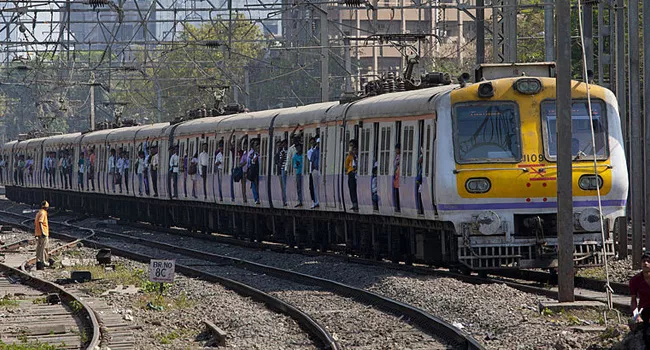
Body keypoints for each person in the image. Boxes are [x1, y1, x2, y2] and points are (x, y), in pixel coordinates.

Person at [631, 252, 650, 348]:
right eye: (644, 261)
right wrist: (636, 316)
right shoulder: (635, 280)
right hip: (645, 309)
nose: (646, 263)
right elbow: (633, 300)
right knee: (647, 334)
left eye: (648, 261)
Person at [34, 200, 50, 270]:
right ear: (46, 207)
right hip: (43, 233)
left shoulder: (38, 213)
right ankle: (44, 262)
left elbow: (36, 223)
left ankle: (39, 262)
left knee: (39, 248)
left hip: (38, 233)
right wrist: (43, 232)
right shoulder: (43, 213)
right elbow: (40, 222)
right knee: (44, 248)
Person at [345, 141, 358, 211]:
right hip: (351, 173)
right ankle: (354, 203)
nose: (354, 151)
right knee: (352, 188)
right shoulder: (349, 156)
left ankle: (356, 203)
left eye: (355, 149)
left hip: (357, 173)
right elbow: (346, 165)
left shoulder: (358, 156)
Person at [309, 138, 320, 209]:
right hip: (316, 170)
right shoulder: (315, 151)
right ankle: (316, 201)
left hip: (321, 170)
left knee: (319, 187)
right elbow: (312, 161)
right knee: (315, 187)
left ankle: (318, 201)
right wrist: (313, 171)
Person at [248, 140, 260, 204]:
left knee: (255, 185)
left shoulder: (257, 154)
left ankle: (257, 198)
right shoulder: (253, 154)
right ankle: (256, 198)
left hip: (258, 171)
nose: (258, 148)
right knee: (254, 185)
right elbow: (251, 161)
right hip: (254, 171)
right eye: (256, 146)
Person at [393, 143, 401, 212]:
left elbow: (395, 164)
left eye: (397, 149)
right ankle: (397, 206)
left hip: (398, 176)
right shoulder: (397, 156)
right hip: (397, 177)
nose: (396, 150)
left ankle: (398, 206)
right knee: (396, 191)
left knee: (398, 192)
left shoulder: (399, 157)